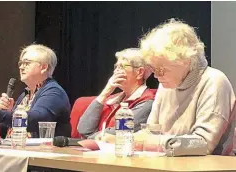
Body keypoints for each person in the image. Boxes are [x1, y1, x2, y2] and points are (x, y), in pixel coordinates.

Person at [99, 19, 236, 155]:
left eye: (162, 69)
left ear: (186, 61)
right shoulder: (166, 85)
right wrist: (123, 140)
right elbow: (151, 132)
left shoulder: (214, 81)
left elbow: (203, 144)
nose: (157, 76)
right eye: (154, 69)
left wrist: (148, 142)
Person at [0, 44, 72, 137]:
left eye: (26, 63)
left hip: (45, 154)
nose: (21, 67)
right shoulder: (26, 94)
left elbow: (36, 120)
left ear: (44, 67)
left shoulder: (53, 92)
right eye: (20, 63)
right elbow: (4, 134)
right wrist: (6, 112)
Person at [77, 48, 156, 139]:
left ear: (139, 72)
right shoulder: (113, 99)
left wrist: (92, 138)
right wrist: (106, 91)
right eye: (116, 67)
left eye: (121, 67)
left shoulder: (147, 101)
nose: (115, 72)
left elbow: (120, 132)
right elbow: (84, 130)